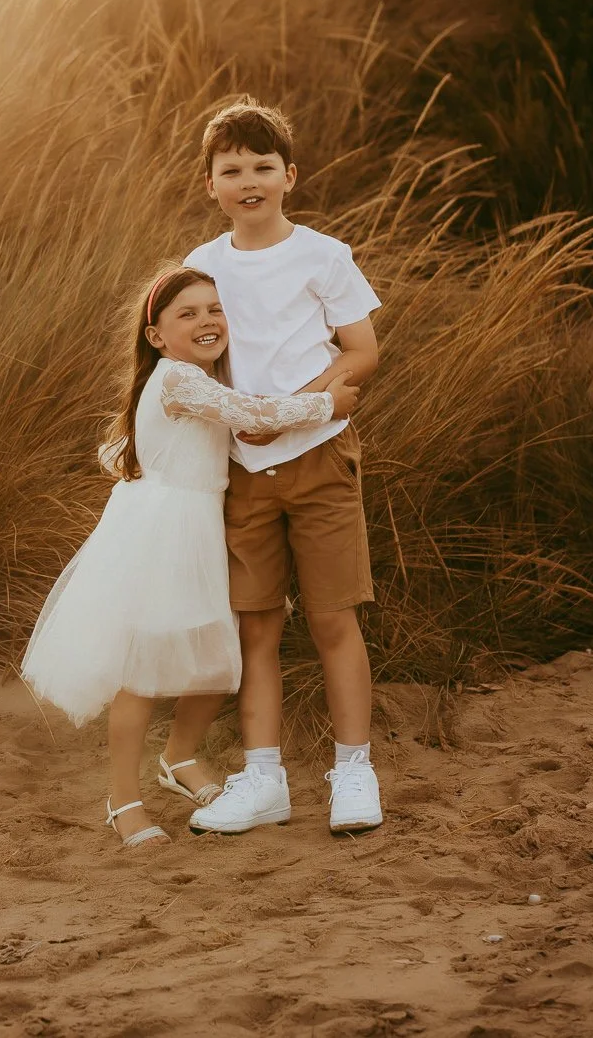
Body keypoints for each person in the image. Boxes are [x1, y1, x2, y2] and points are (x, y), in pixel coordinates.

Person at [20, 267, 358, 847]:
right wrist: (327, 404)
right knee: (145, 670)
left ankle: (177, 760)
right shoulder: (179, 379)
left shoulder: (190, 381)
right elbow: (252, 415)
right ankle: (122, 799)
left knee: (214, 655)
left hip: (201, 528)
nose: (207, 321)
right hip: (165, 535)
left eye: (214, 309)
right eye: (188, 313)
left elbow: (134, 446)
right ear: (156, 337)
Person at [177, 99, 386, 836]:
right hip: (240, 472)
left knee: (333, 618)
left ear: (290, 176)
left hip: (319, 456)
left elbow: (362, 354)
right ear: (210, 184)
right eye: (231, 170)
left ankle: (354, 772)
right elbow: (182, 356)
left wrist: (290, 411)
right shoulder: (201, 265)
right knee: (255, 625)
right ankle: (263, 779)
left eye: (263, 167)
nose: (248, 181)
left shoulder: (323, 255)